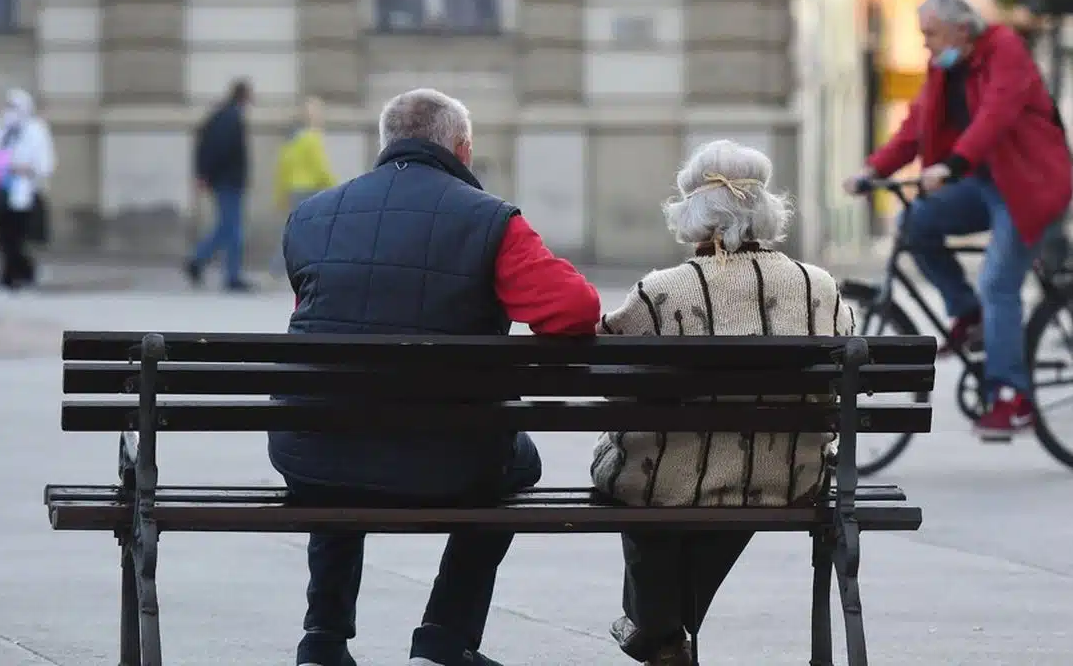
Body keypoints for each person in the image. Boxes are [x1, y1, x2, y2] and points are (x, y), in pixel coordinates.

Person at [271, 88, 601, 666]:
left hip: (313, 454)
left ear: (386, 144)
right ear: (463, 150)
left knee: (336, 420)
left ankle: (322, 638)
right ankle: (444, 637)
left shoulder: (311, 217)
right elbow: (574, 310)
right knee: (516, 464)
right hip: (449, 461)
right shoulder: (490, 222)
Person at [593, 139, 853, 666]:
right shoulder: (818, 286)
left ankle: (659, 629)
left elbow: (608, 363)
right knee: (738, 470)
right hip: (787, 475)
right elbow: (847, 354)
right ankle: (662, 629)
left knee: (650, 471)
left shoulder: (662, 291)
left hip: (669, 476)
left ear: (693, 218)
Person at [843, 0, 1073, 441]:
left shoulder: (1005, 50)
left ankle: (1013, 396)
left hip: (1027, 186)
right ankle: (969, 318)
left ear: (961, 30)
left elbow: (997, 114)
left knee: (997, 283)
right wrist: (873, 170)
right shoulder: (943, 67)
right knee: (917, 222)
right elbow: (916, 128)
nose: (925, 43)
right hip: (982, 183)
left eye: (930, 33)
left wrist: (951, 165)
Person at [0, 88, 55, 290]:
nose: (9, 111)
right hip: (2, 190)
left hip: (25, 191)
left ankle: (15, 276)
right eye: (7, 106)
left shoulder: (36, 130)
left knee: (20, 236)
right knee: (3, 236)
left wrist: (24, 169)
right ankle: (14, 274)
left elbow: (45, 164)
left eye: (14, 106)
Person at [186, 78, 253, 291]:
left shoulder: (221, 115)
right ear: (243, 96)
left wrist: (204, 174)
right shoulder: (231, 118)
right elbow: (221, 150)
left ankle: (197, 261)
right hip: (228, 181)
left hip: (224, 180)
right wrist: (207, 174)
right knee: (233, 230)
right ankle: (231, 276)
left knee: (226, 227)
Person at [272, 96, 337, 275]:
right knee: (316, 233)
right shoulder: (313, 138)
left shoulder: (293, 140)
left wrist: (280, 195)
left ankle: (278, 269)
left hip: (294, 190)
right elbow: (321, 166)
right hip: (311, 189)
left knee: (294, 232)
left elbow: (283, 167)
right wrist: (336, 187)